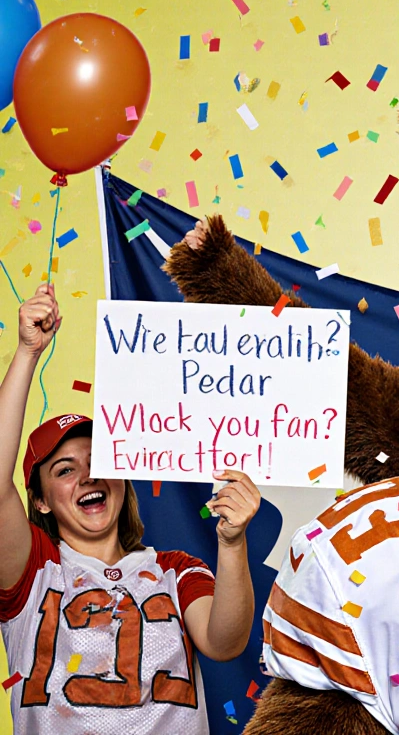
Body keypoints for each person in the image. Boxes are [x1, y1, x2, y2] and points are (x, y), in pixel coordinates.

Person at [0, 284, 263, 732]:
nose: (87, 476)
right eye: (64, 470)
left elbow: (225, 643)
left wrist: (233, 541)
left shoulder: (175, 571)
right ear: (40, 500)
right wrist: (27, 352)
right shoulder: (33, 571)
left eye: (98, 461)